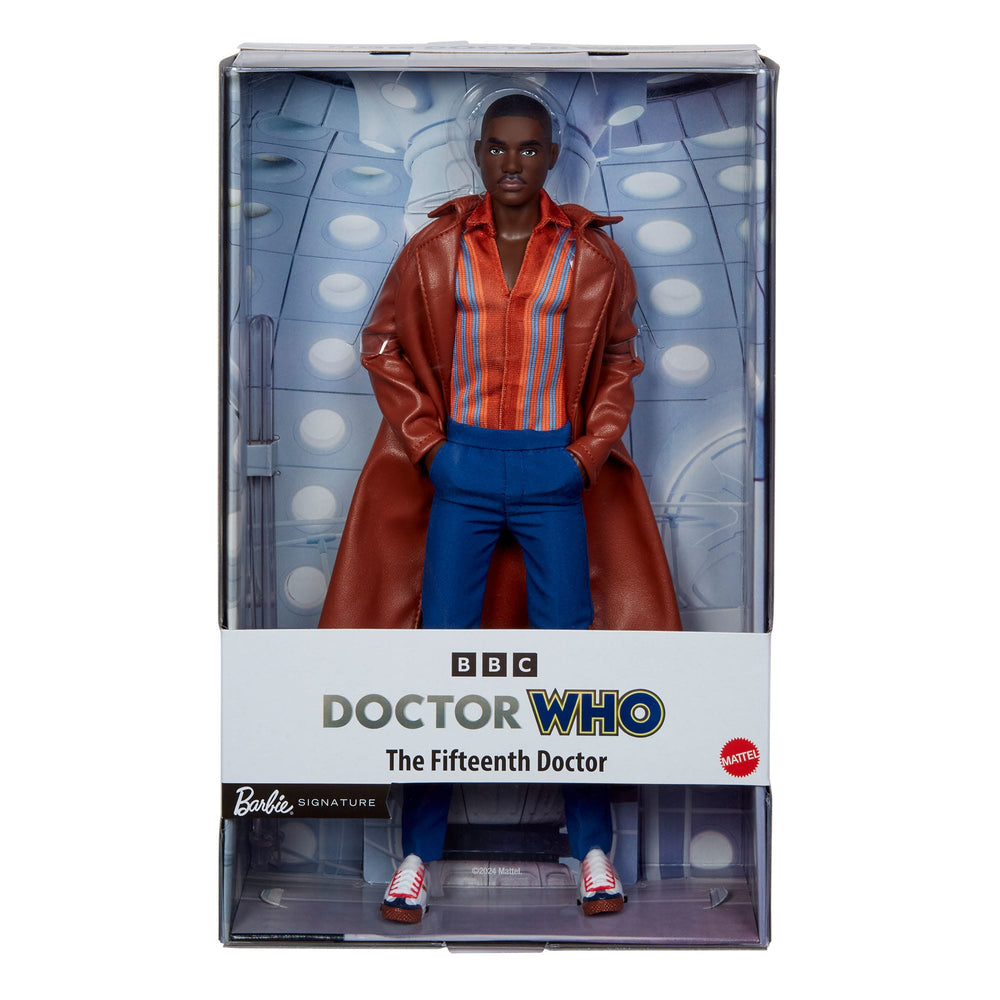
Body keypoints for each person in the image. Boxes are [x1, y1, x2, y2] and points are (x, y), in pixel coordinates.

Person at [319, 93, 681, 923]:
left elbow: (621, 355)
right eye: (498, 148)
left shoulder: (591, 255)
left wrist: (585, 456)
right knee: (440, 655)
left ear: (551, 156)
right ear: (479, 152)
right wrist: (430, 448)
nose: (512, 163)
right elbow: (381, 344)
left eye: (528, 148)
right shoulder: (436, 248)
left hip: (553, 467)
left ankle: (592, 848)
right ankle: (417, 853)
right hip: (464, 463)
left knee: (571, 662)